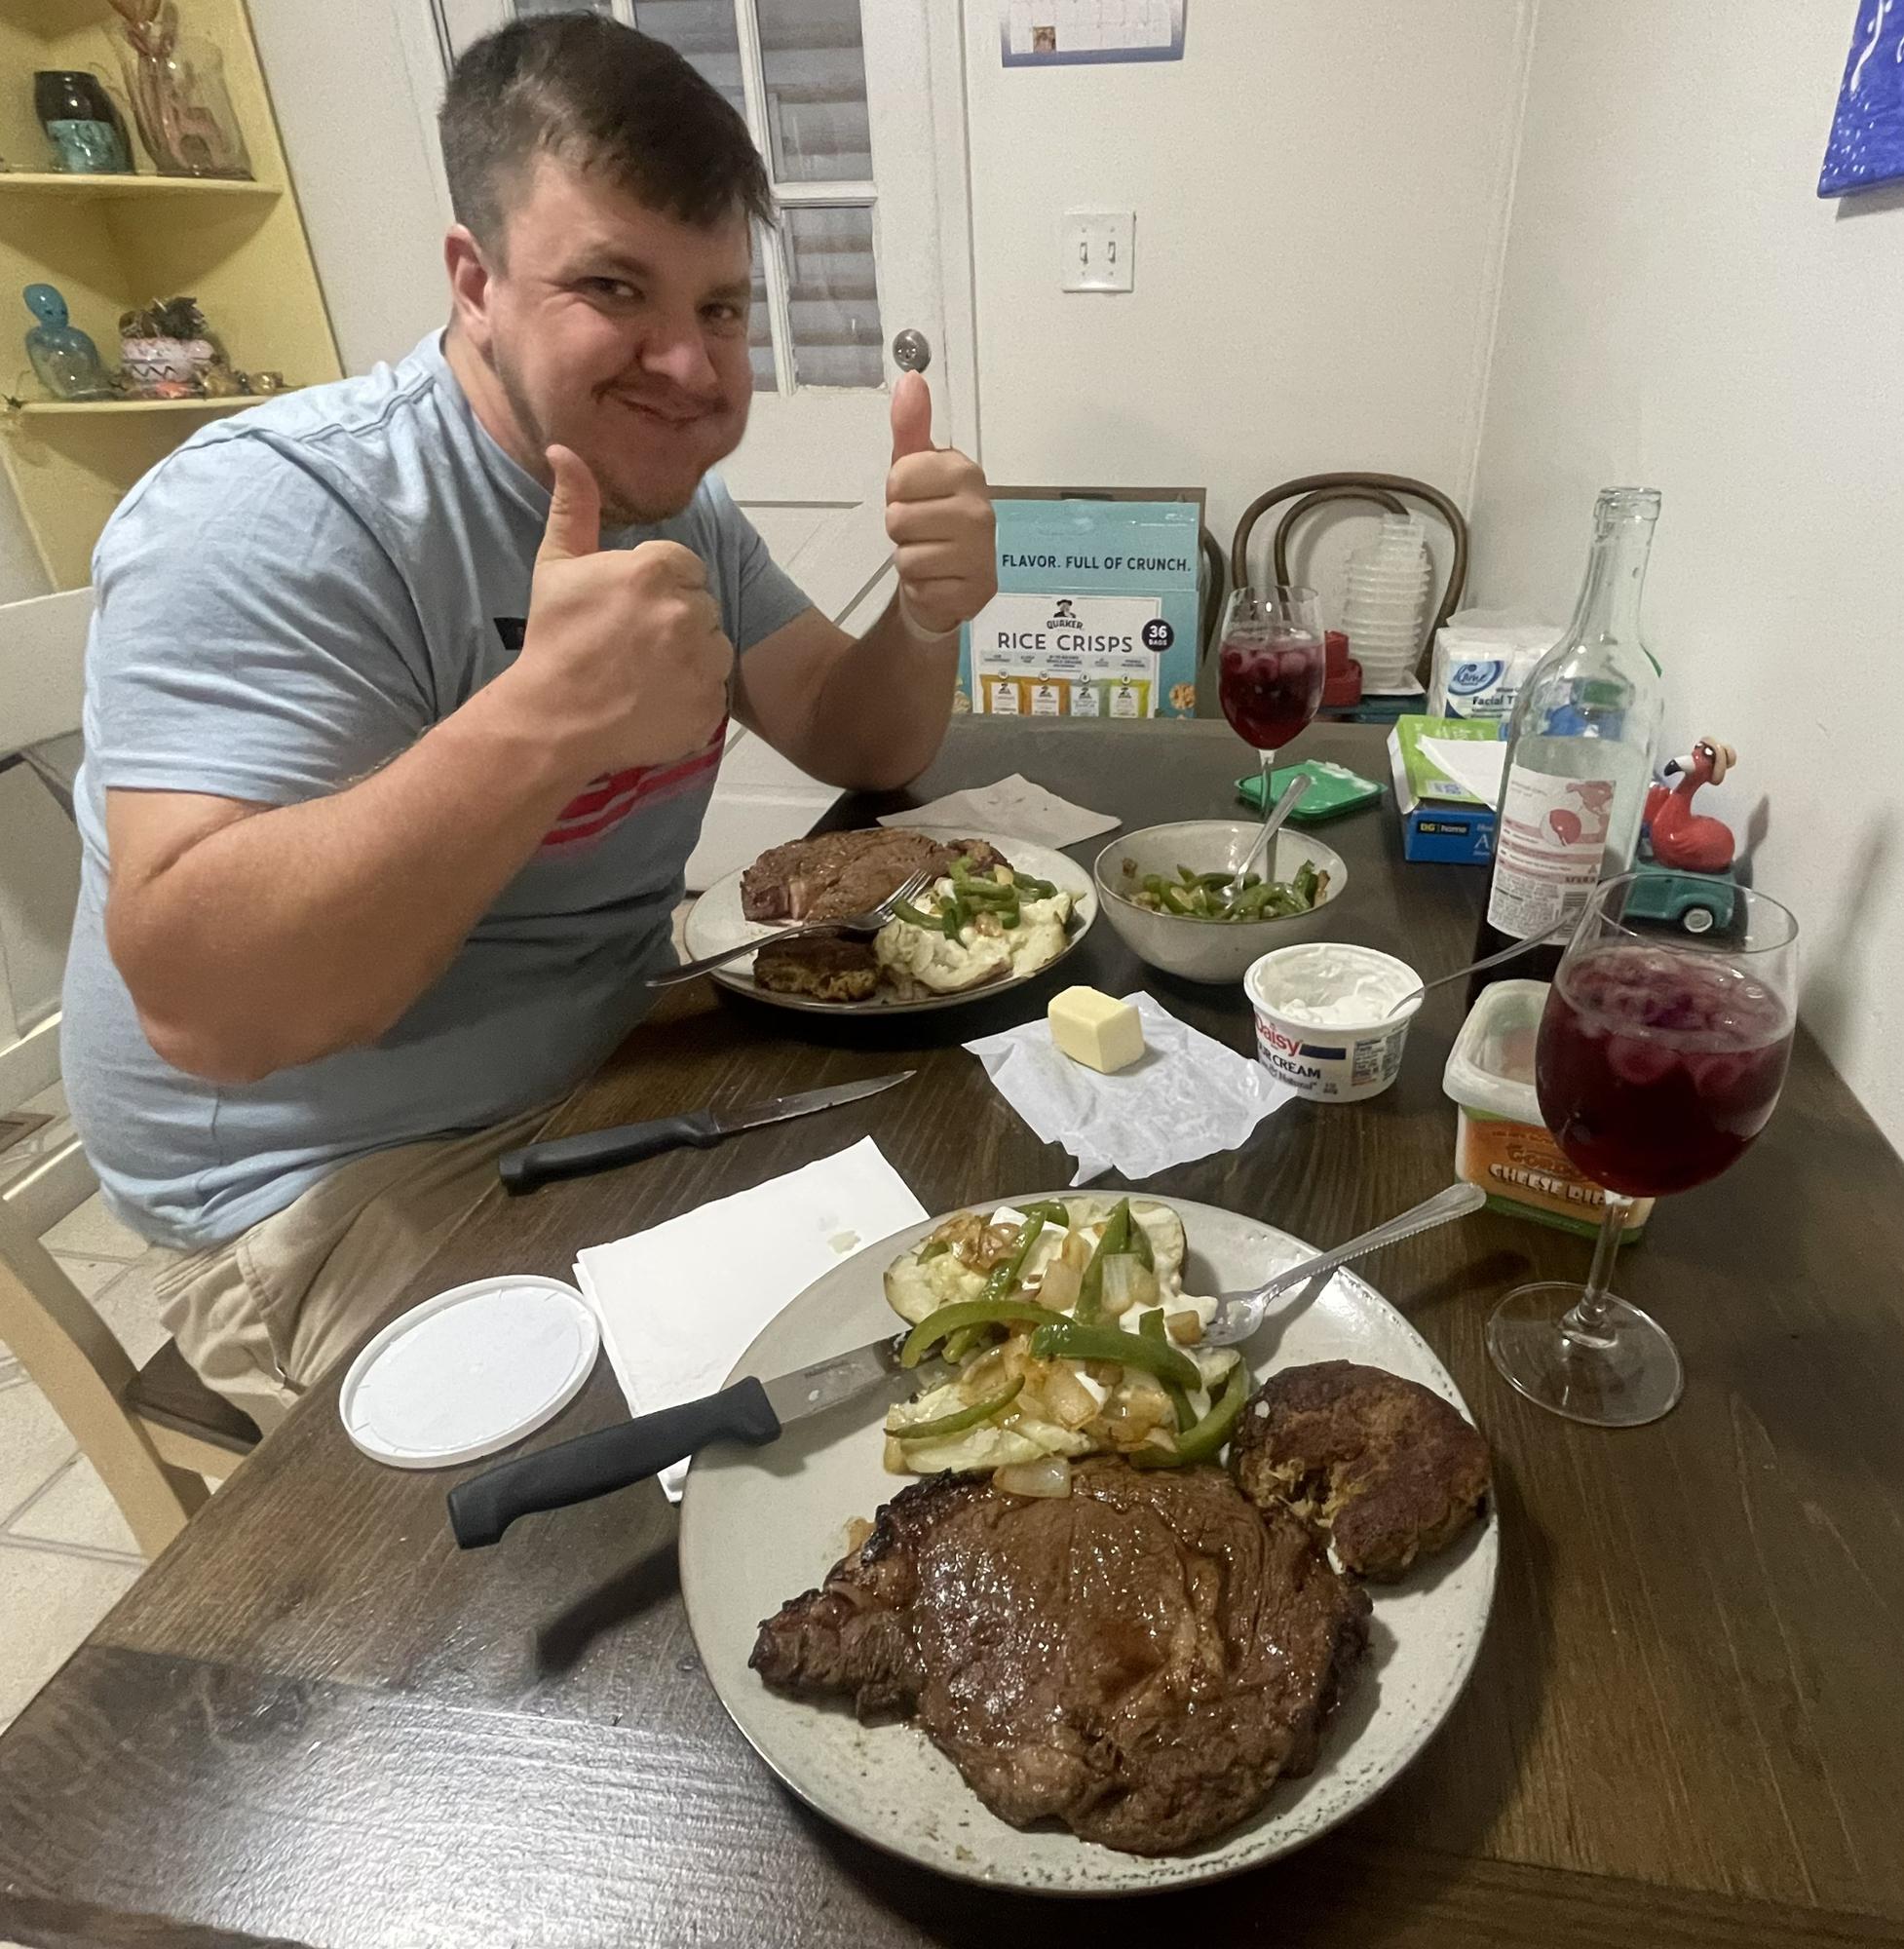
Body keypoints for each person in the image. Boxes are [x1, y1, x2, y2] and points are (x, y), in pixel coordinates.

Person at [58, 16, 996, 1433]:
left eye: (722, 309)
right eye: (613, 288)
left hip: (612, 1069)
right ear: (473, 279)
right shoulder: (272, 516)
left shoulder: (673, 504)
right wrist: (544, 721)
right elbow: (208, 1014)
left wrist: (929, 612)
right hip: (324, 1187)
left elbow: (857, 744)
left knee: (961, 1271)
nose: (689, 367)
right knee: (753, 1461)